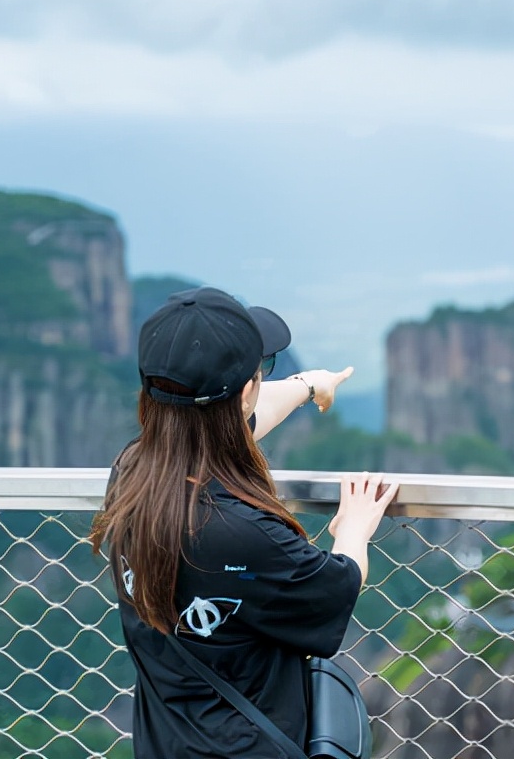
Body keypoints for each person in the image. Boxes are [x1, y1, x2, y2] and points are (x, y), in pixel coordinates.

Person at [89, 286, 397, 758]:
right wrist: (352, 528)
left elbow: (218, 420)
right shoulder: (243, 534)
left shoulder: (132, 476)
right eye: (262, 371)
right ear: (246, 391)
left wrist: (308, 385)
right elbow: (338, 588)